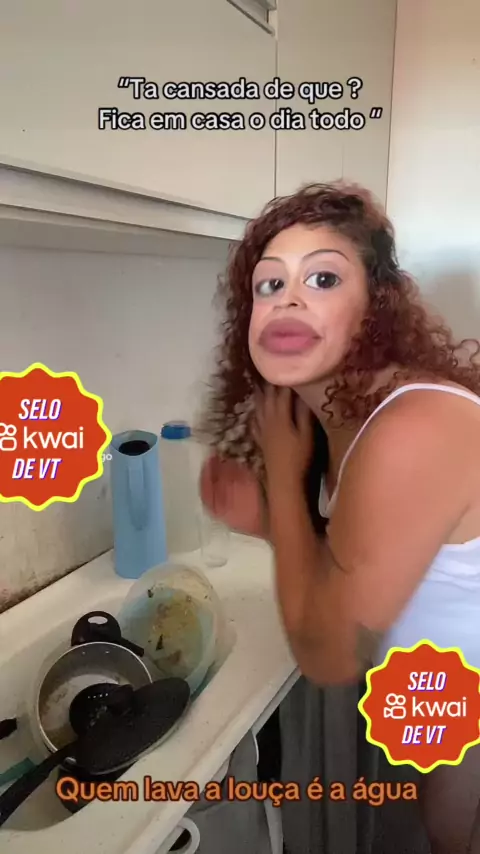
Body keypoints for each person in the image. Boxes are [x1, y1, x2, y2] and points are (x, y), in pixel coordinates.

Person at [197, 182, 480, 854]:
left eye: (323, 278)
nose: (289, 300)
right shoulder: (344, 414)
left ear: (376, 305)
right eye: (270, 285)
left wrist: (283, 484)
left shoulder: (411, 427)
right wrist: (271, 519)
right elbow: (362, 559)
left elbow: (329, 652)